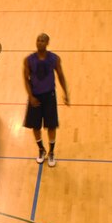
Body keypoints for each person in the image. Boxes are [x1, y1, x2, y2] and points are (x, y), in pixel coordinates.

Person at [23, 33, 69, 167]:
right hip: (35, 97)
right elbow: (25, 79)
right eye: (38, 40)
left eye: (42, 40)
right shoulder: (28, 60)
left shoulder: (54, 59)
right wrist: (30, 96)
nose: (40, 42)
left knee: (51, 126)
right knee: (35, 126)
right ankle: (41, 149)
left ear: (47, 43)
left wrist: (66, 93)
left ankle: (51, 152)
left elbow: (60, 76)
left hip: (49, 96)